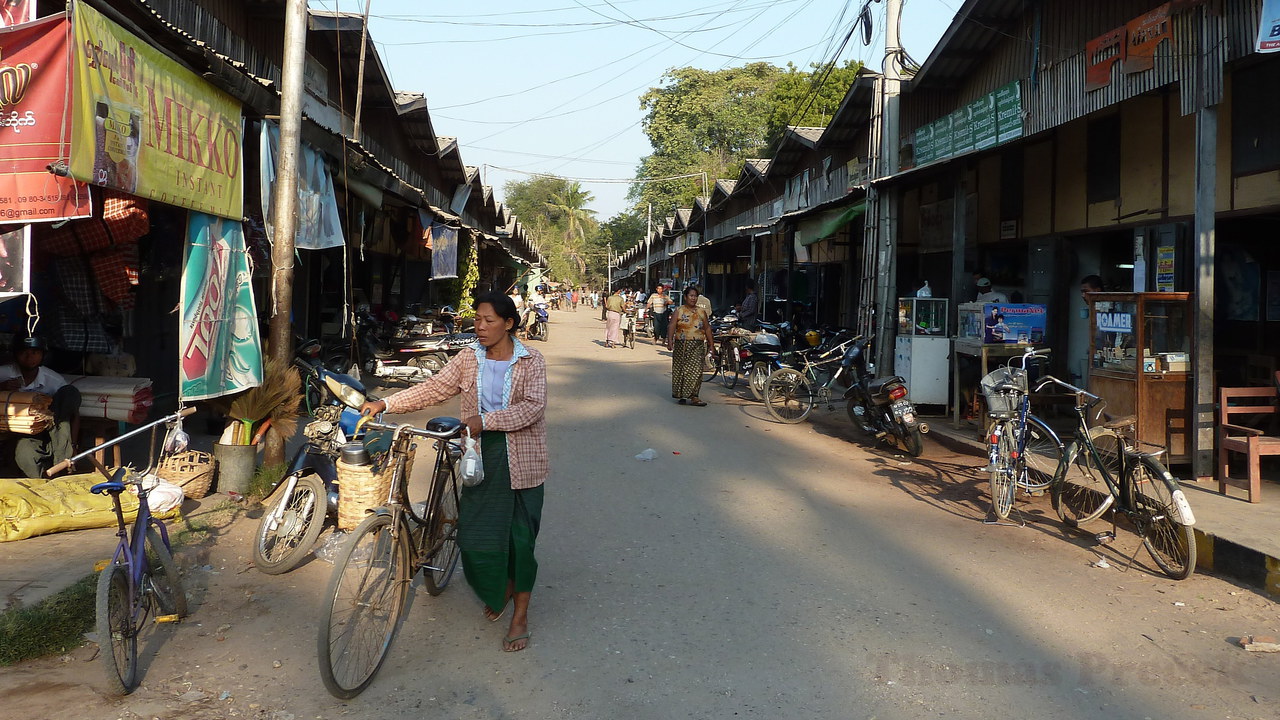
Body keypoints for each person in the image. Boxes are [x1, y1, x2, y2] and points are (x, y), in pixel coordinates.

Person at [359, 292, 547, 653]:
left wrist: (484, 420)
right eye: (477, 319)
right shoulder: (468, 358)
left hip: (523, 458)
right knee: (475, 537)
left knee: (520, 541)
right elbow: (434, 388)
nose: (480, 326)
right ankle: (500, 586)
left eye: (489, 320)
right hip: (479, 454)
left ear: (509, 324)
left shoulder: (531, 360)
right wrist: (386, 402)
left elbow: (532, 408)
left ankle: (520, 614)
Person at [0, 336, 81, 478]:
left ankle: (62, 461)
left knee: (69, 394)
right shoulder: (4, 373)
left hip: (49, 430)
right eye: (23, 352)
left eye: (35, 353)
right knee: (25, 453)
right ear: (15, 355)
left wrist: (73, 445)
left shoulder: (53, 380)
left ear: (43, 355)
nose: (29, 357)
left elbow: (71, 414)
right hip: (19, 433)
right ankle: (43, 482)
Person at [667, 286, 715, 406]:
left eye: (695, 296)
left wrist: (711, 344)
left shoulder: (701, 312)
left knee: (697, 371)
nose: (693, 298)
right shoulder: (679, 310)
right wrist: (669, 341)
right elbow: (672, 325)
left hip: (698, 345)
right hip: (681, 345)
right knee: (681, 370)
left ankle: (694, 396)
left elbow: (707, 328)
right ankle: (681, 394)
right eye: (691, 296)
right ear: (685, 297)